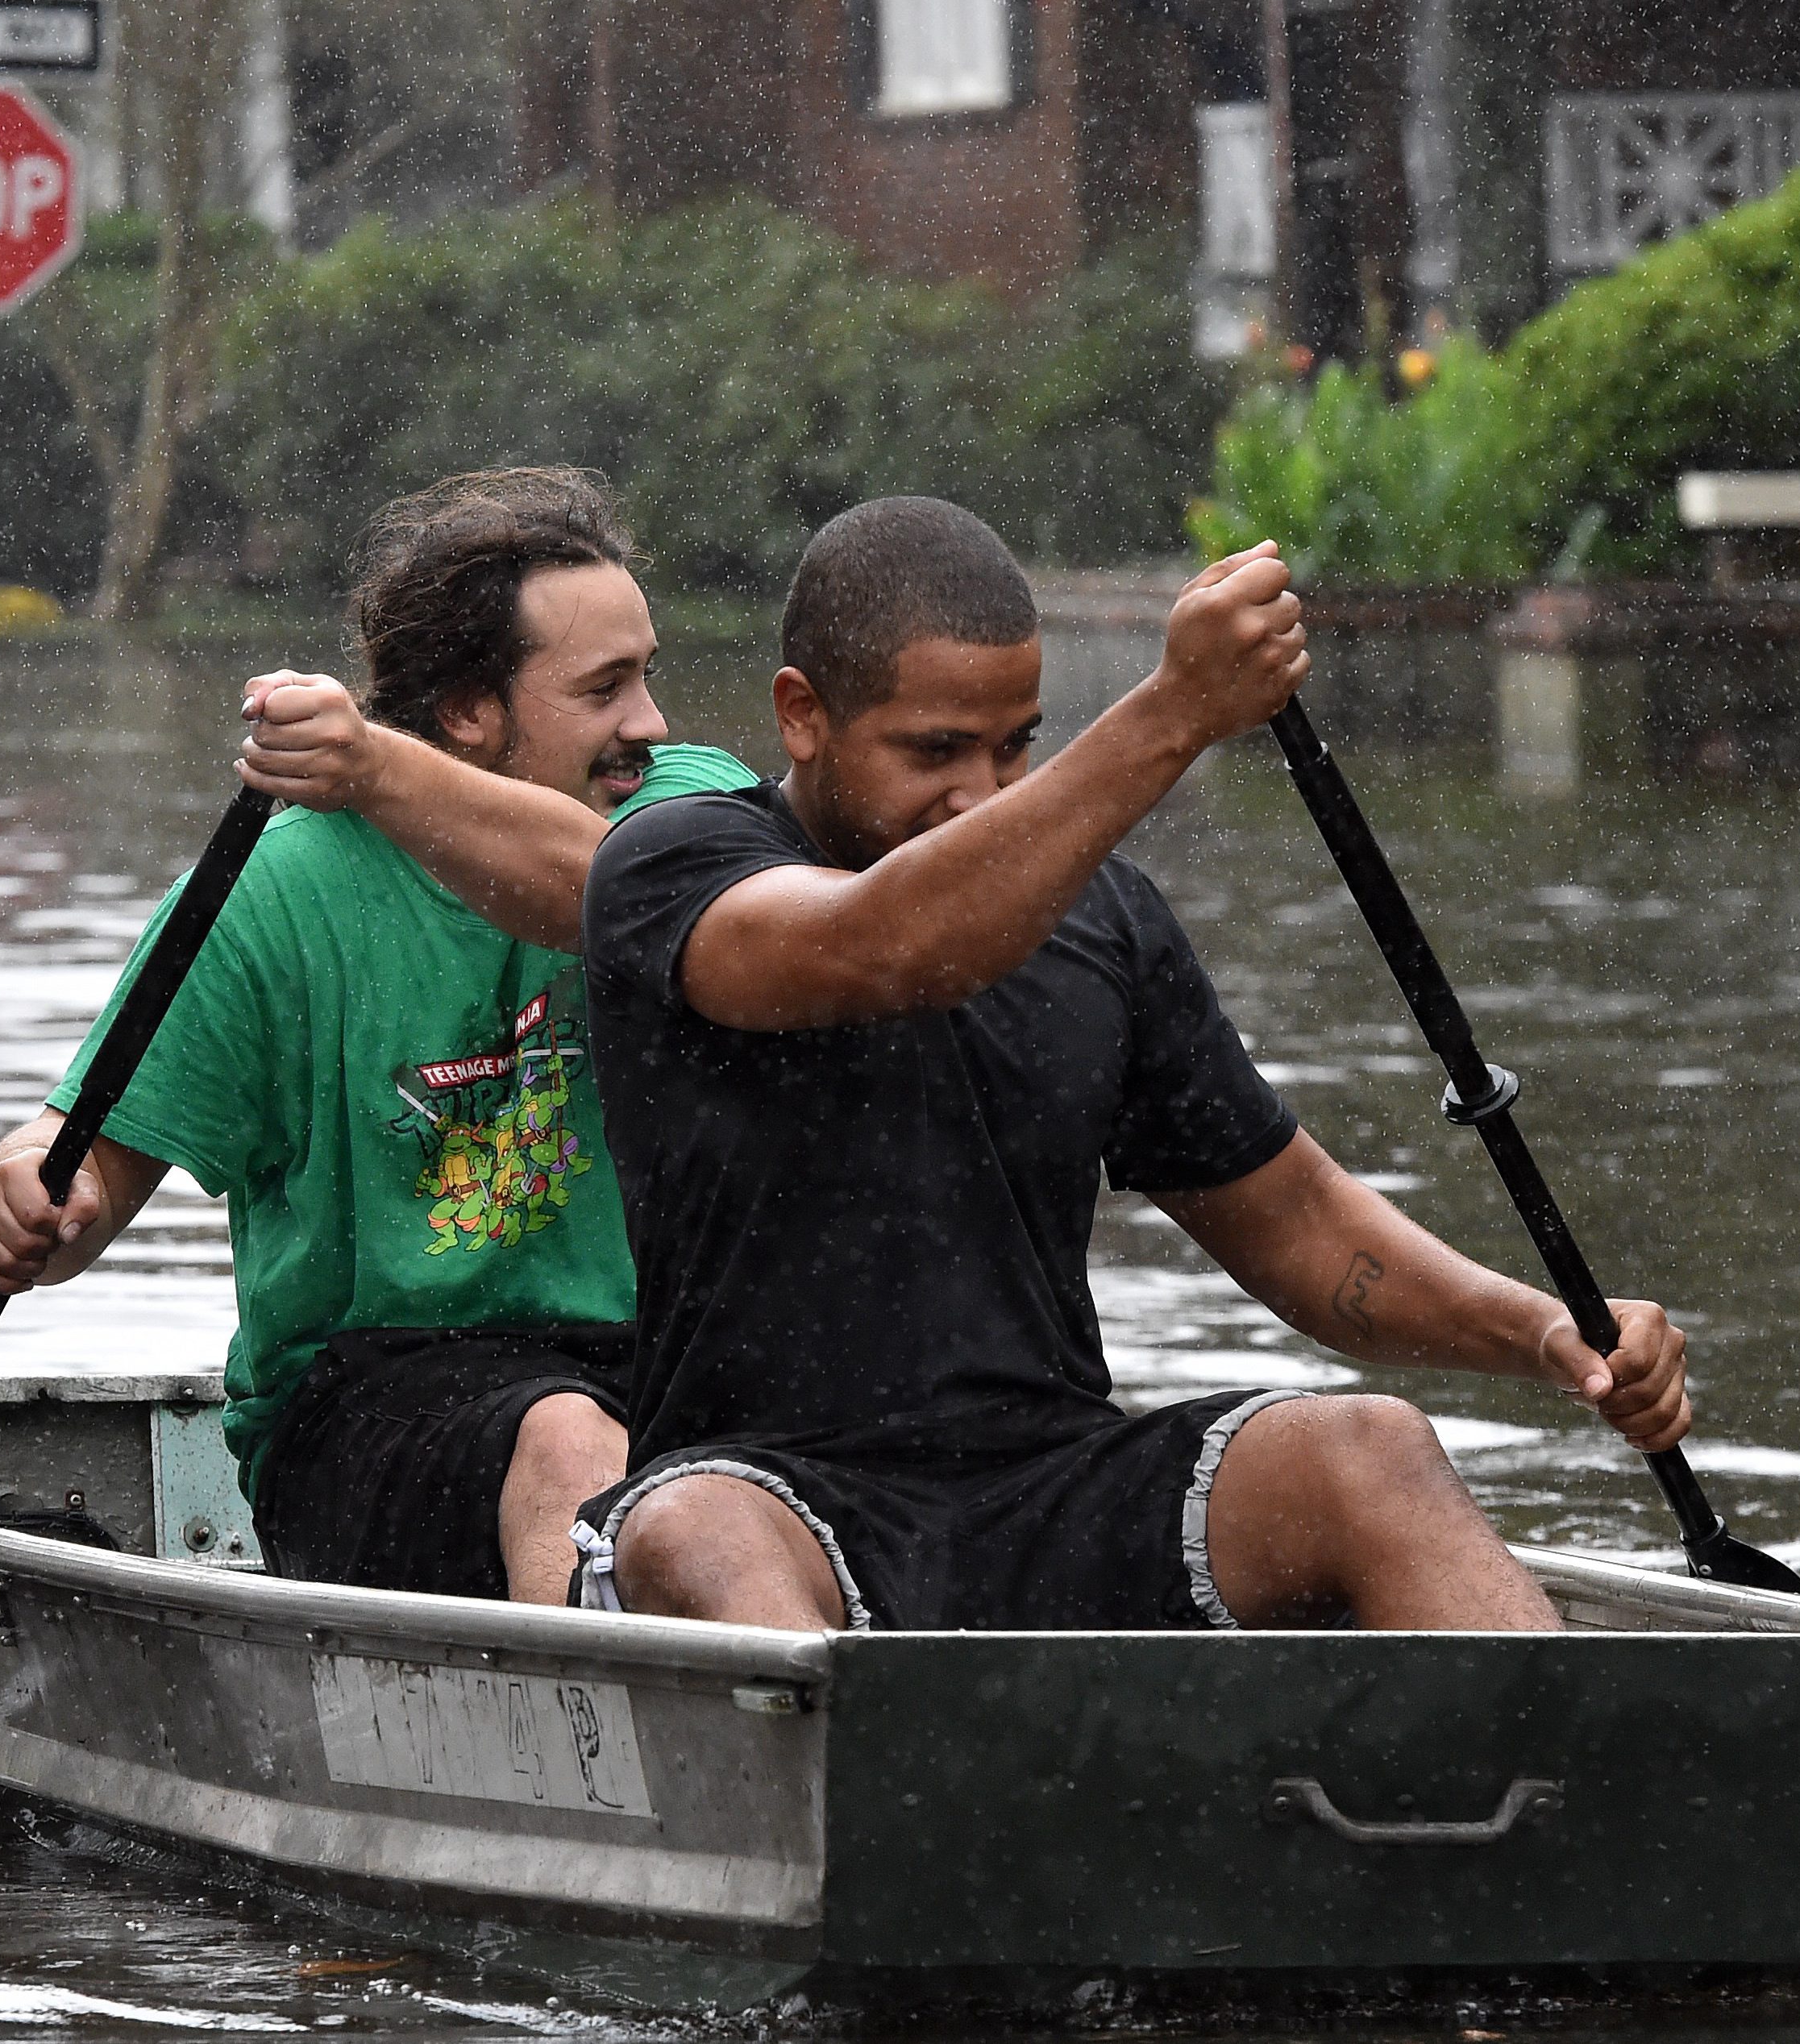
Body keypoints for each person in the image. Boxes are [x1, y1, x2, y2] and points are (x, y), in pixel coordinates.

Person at [570, 498, 1694, 1635]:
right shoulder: (671, 865)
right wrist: (1174, 712)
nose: (980, 794)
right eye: (933, 752)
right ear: (801, 716)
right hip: (763, 1494)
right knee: (690, 1533)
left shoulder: (1105, 922)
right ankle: (874, 1792)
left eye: (1014, 744)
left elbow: (1301, 1226)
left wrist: (1551, 1335)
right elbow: (886, 946)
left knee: (1371, 1450)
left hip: (1048, 1488)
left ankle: (1566, 1796)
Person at [0, 467, 755, 1604]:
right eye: (606, 687)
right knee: (570, 1444)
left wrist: (379, 767)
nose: (652, 724)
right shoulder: (273, 892)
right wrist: (29, 1200)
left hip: (659, 1364)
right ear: (470, 709)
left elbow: (620, 895)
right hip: (370, 1402)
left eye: (649, 675)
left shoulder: (687, 809)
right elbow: (84, 1158)